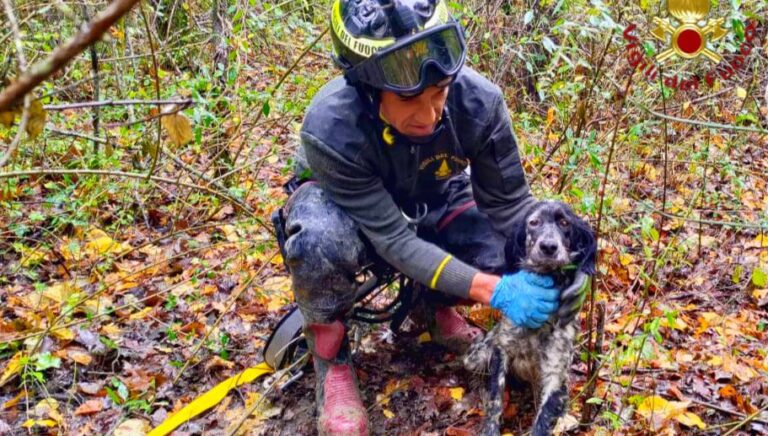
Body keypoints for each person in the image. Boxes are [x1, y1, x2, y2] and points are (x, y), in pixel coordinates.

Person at [276, 1, 588, 434]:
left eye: (440, 90)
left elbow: (511, 207)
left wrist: (561, 267)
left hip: (435, 194)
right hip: (349, 211)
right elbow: (393, 239)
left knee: (508, 249)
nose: (429, 115)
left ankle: (434, 307)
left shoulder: (478, 103)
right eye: (408, 98)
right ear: (368, 88)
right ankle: (332, 362)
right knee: (318, 239)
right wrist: (491, 290)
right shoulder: (331, 128)